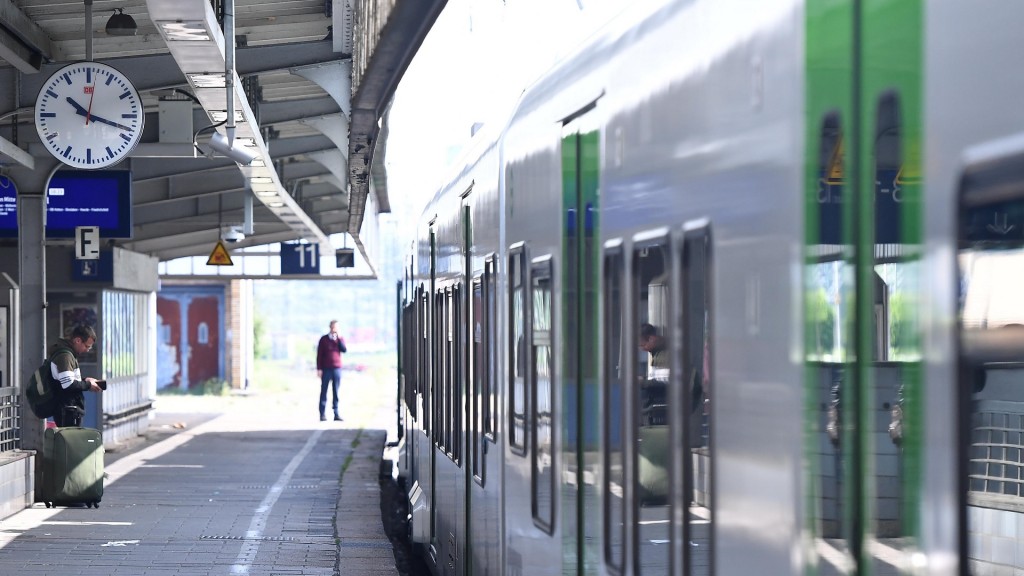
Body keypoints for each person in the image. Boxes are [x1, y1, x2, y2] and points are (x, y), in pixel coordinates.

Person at [50, 324, 102, 427]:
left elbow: (66, 379)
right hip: (67, 410)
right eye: (87, 346)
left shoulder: (69, 354)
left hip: (69, 409)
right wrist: (88, 385)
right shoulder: (65, 356)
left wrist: (86, 380)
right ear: (78, 340)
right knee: (71, 441)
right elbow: (68, 384)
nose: (87, 350)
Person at [316, 320, 347, 422]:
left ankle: (336, 413)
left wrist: (338, 338)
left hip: (337, 368)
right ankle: (322, 414)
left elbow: (344, 349)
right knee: (324, 391)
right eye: (333, 327)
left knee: (336, 391)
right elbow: (319, 355)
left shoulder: (339, 339)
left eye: (336, 327)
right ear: (330, 327)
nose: (334, 329)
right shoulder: (324, 339)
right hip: (326, 368)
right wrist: (319, 369)